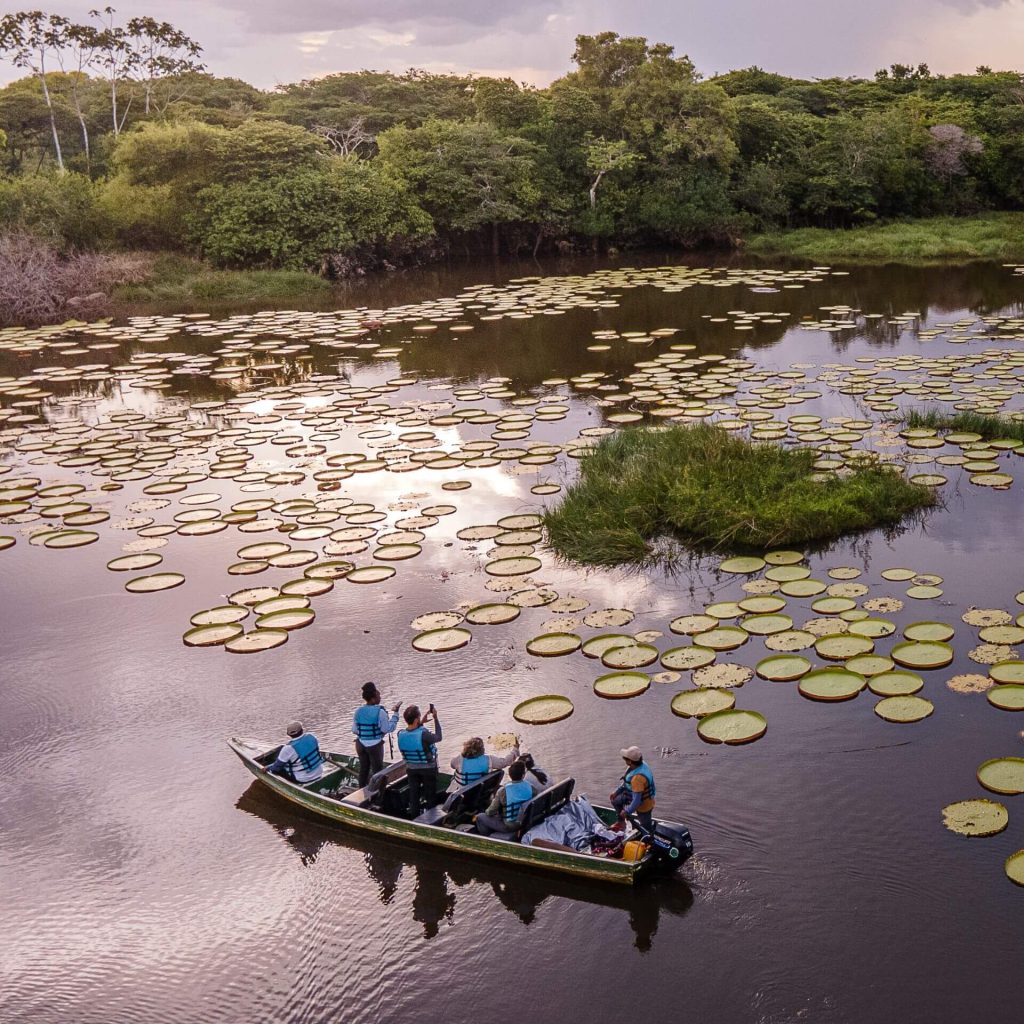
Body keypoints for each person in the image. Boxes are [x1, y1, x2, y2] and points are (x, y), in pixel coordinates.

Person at [474, 759, 544, 837]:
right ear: (523, 775)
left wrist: (487, 811)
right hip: (524, 822)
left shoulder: (503, 791)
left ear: (510, 775)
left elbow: (490, 812)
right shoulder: (531, 788)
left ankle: (487, 838)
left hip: (509, 827)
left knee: (480, 817)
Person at [352, 681, 401, 787]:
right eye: (379, 695)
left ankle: (361, 792)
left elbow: (355, 730)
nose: (380, 697)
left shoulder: (358, 711)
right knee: (378, 772)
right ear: (373, 698)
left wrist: (365, 734)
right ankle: (377, 796)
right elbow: (387, 729)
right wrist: (395, 715)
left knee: (363, 770)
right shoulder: (380, 712)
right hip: (374, 746)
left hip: (360, 745)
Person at [397, 703, 442, 816]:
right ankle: (431, 819)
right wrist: (435, 718)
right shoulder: (424, 735)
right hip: (427, 769)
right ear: (416, 719)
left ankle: (414, 816)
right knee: (430, 795)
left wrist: (421, 722)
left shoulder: (400, 734)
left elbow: (413, 733)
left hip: (411, 769)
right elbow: (438, 737)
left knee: (414, 794)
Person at [446, 736, 520, 794]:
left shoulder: (460, 758)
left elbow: (452, 765)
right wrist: (515, 749)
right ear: (481, 749)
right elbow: (505, 762)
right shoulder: (488, 759)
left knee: (454, 776)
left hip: (460, 792)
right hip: (477, 792)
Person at [610, 746, 656, 830]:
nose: (624, 760)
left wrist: (627, 811)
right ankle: (621, 822)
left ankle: (646, 837)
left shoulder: (637, 779)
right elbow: (626, 783)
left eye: (625, 759)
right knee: (615, 799)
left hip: (644, 804)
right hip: (633, 794)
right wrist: (616, 791)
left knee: (645, 828)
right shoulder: (638, 765)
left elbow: (637, 801)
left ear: (630, 761)